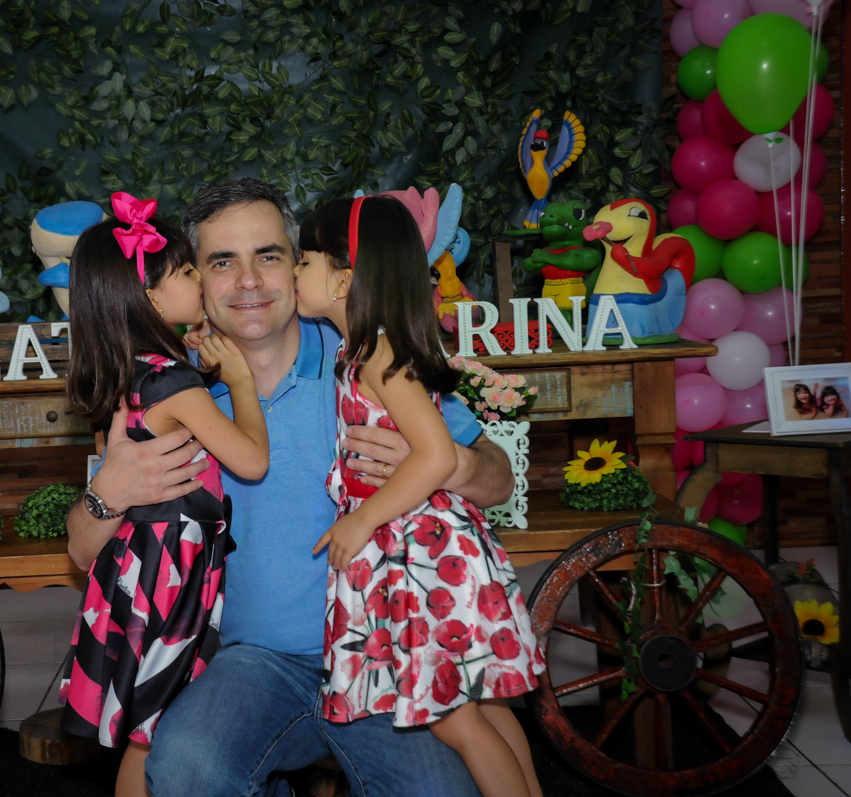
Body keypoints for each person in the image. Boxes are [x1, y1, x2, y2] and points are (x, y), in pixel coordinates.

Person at [67, 179, 515, 796]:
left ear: (307, 267)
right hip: (256, 667)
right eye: (223, 262)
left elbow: (498, 476)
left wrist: (448, 462)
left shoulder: (367, 361)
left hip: (381, 654)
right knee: (187, 767)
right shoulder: (178, 394)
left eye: (270, 256)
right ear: (193, 279)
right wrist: (107, 492)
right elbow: (86, 552)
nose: (248, 281)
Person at [296, 195, 544, 797]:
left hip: (422, 557)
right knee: (484, 710)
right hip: (426, 553)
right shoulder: (369, 352)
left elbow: (435, 455)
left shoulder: (377, 355)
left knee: (454, 718)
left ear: (344, 278)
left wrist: (359, 524)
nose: (295, 274)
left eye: (303, 261)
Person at [57, 192, 270, 797]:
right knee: (153, 731)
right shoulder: (176, 383)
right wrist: (241, 382)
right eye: (183, 271)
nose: (199, 279)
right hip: (170, 577)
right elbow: (251, 461)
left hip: (136, 566)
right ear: (150, 296)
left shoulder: (137, 370)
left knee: (147, 728)